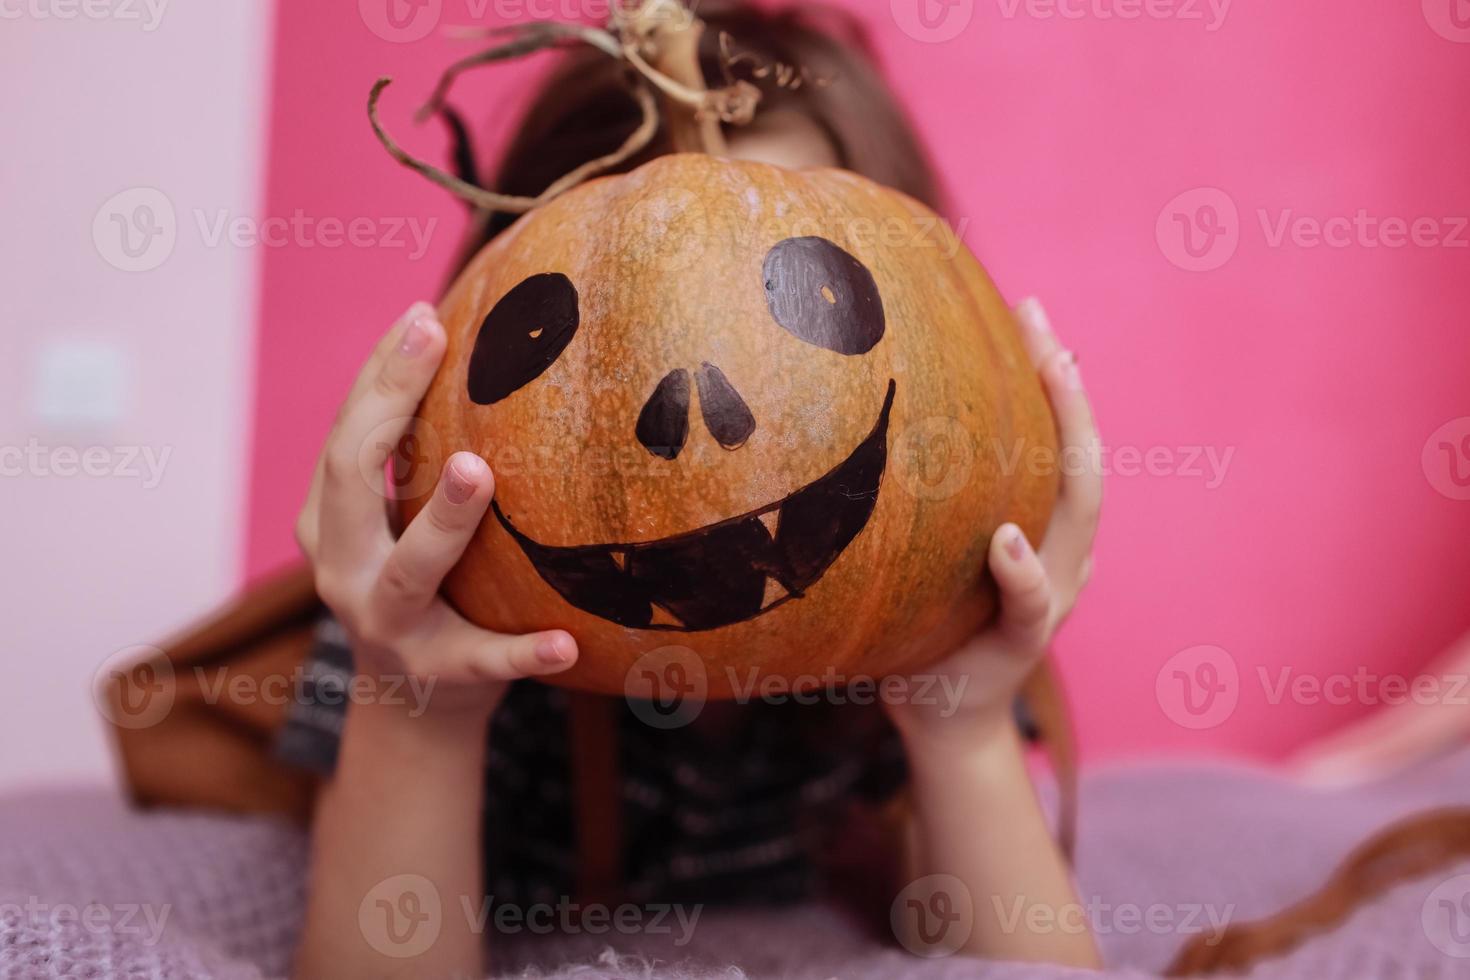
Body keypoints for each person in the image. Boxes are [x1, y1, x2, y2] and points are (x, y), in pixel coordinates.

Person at [291, 3, 1103, 976]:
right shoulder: (415, 611)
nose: (694, 412)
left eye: (805, 289)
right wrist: (415, 706)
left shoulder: (921, 611)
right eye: (641, 314)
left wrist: (964, 723)